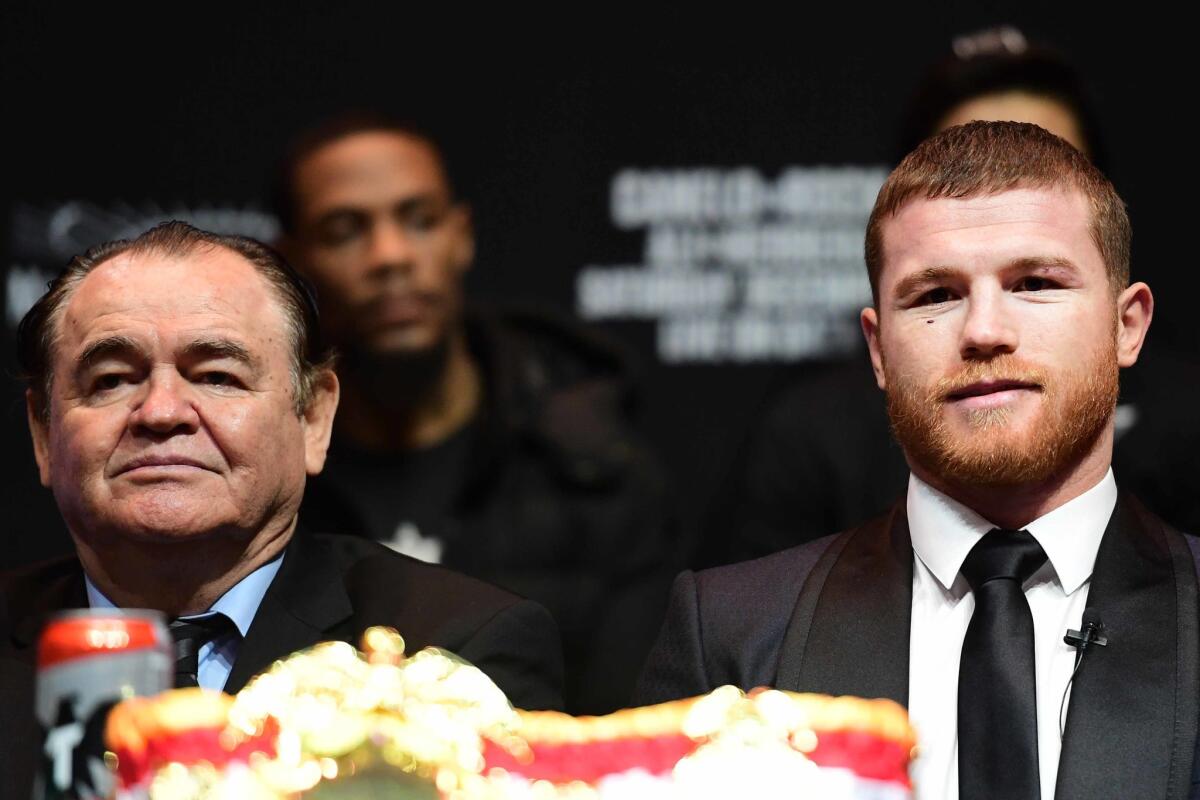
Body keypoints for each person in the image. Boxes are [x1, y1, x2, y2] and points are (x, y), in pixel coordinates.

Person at [638, 123, 1200, 800]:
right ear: (877, 349)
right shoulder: (730, 633)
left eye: (1035, 282)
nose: (985, 331)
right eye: (935, 296)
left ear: (1126, 326)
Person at [0, 222, 564, 799]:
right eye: (113, 380)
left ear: (313, 418)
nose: (162, 412)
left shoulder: (452, 656)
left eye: (218, 376)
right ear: (44, 433)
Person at [698, 28, 1200, 568]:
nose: (985, 329)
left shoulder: (1185, 420)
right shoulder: (813, 436)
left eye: (1035, 284)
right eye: (962, 166)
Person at [272, 114, 675, 714]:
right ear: (291, 263)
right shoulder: (263, 477)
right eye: (345, 230)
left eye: (419, 220)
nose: (390, 256)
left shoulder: (593, 470)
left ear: (462, 236)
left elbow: (630, 725)